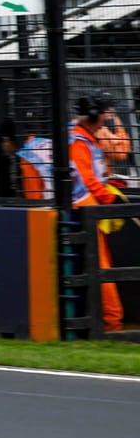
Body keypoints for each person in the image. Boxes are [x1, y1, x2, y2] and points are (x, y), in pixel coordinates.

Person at [70, 92, 128, 333]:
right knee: (100, 267)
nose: (106, 119)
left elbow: (119, 152)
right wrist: (109, 197)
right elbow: (87, 178)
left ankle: (112, 320)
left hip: (88, 207)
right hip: (83, 210)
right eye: (104, 114)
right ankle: (112, 324)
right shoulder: (78, 141)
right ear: (94, 114)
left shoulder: (88, 137)